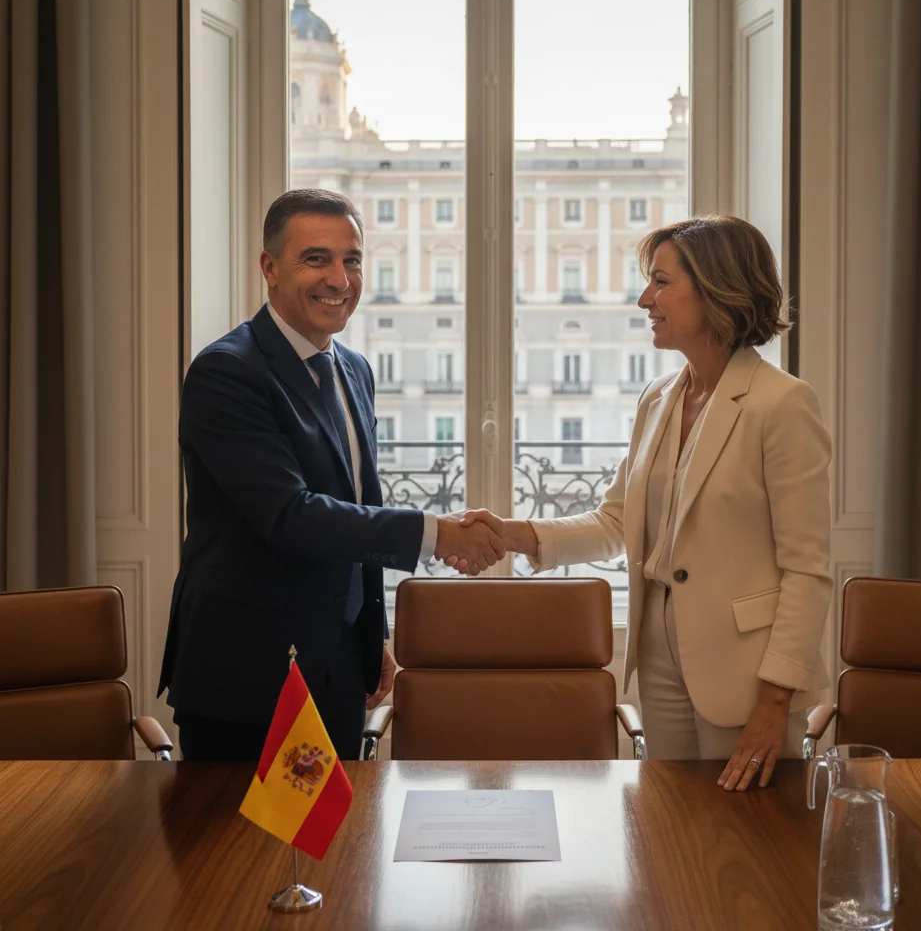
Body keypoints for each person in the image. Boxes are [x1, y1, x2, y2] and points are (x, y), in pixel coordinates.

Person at [454, 215, 833, 790]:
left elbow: (807, 569)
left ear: (716, 289)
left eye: (660, 282)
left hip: (747, 673)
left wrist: (775, 700)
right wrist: (511, 533)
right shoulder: (658, 398)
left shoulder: (782, 404)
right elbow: (615, 520)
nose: (644, 299)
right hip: (658, 657)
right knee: (674, 829)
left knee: (753, 843)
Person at [159, 189, 505, 761]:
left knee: (336, 847)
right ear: (269, 268)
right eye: (316, 259)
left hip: (338, 669)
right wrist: (438, 533)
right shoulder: (227, 371)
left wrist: (372, 639)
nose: (339, 279)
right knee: (231, 852)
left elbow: (358, 503)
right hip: (247, 676)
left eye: (352, 260)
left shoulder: (354, 368)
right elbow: (289, 516)